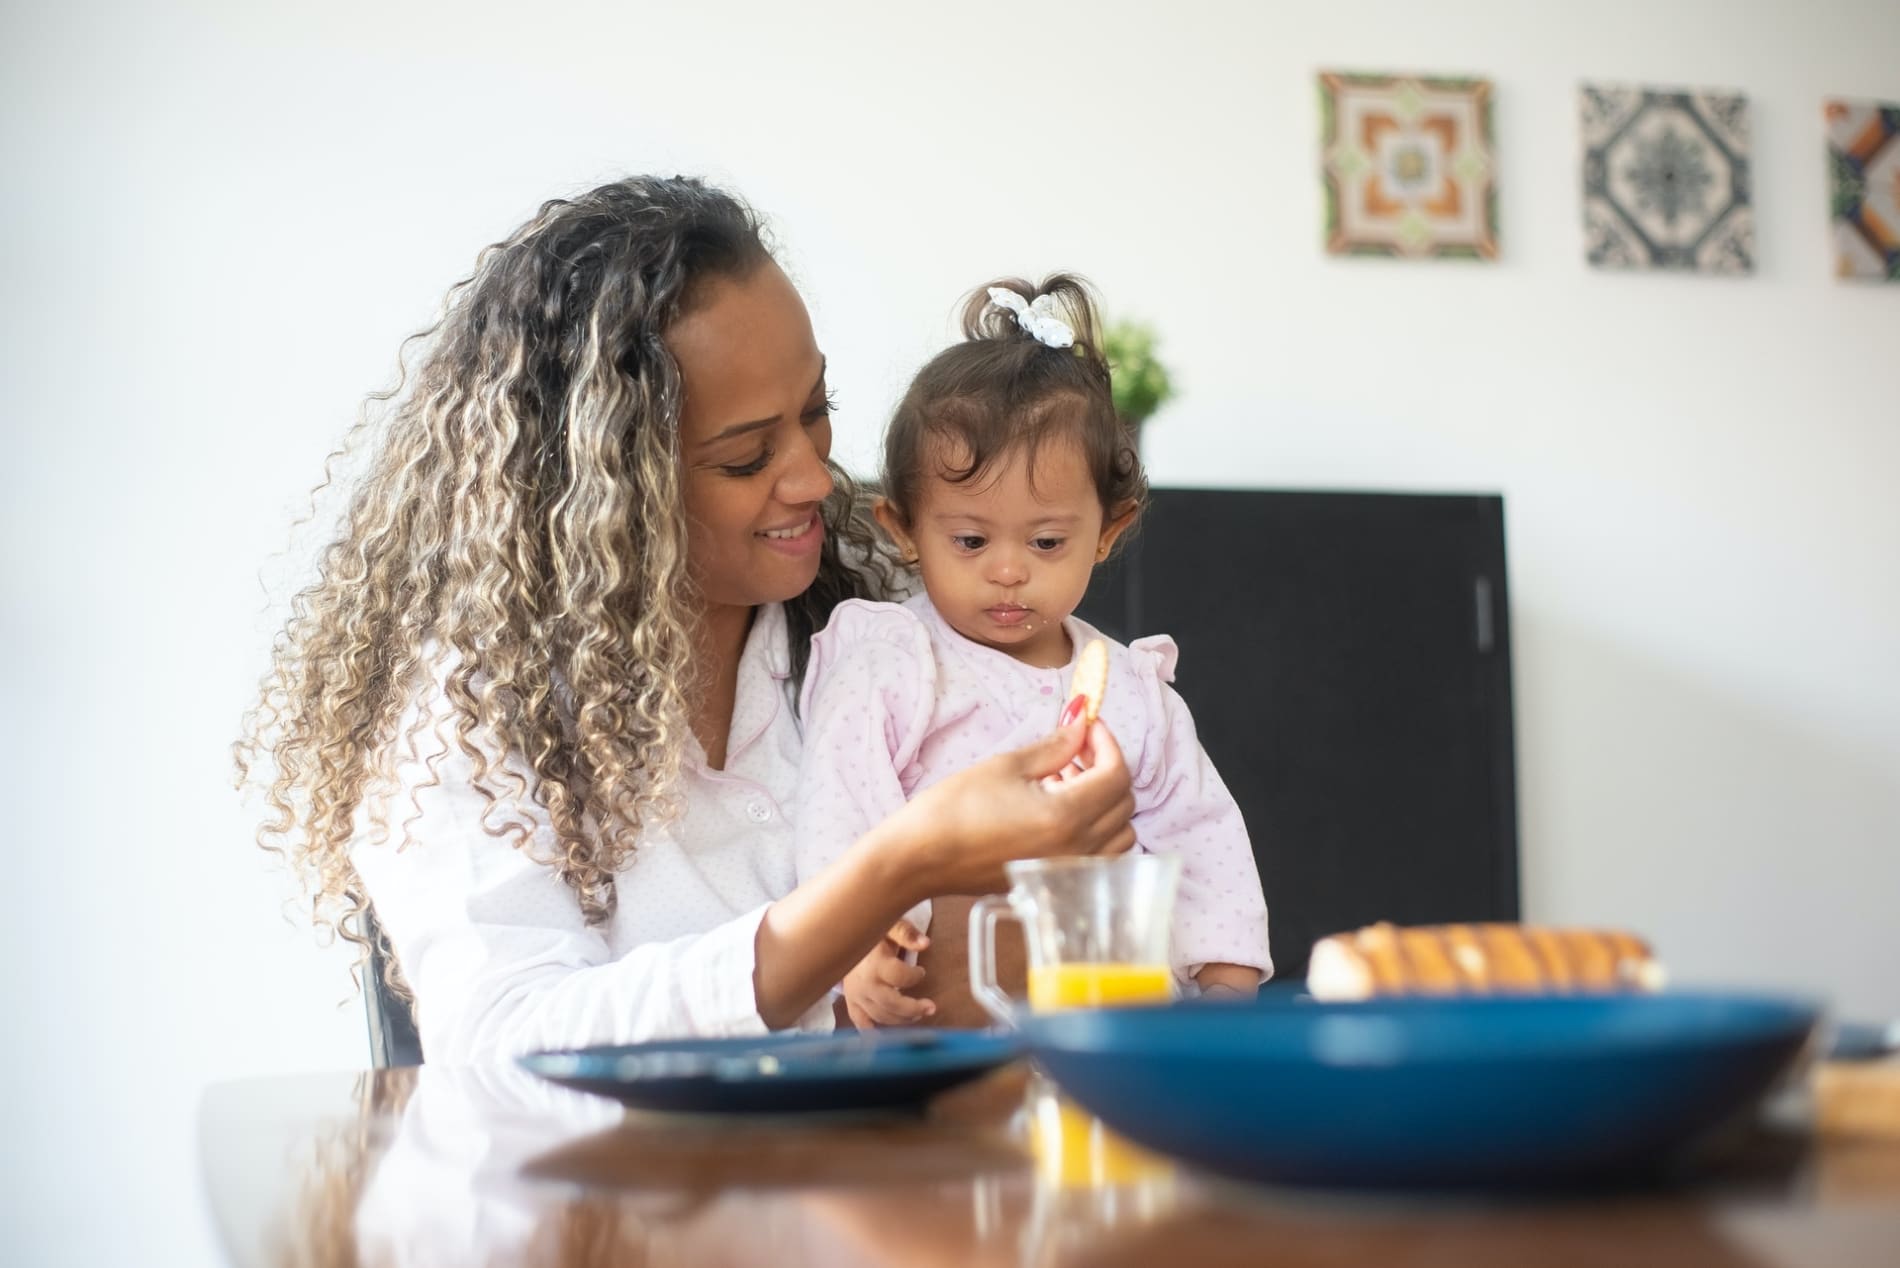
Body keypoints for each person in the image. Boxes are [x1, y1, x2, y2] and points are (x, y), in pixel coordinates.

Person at [236, 178, 1136, 1063]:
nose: (817, 480)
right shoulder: (470, 716)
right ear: (606, 489)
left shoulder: (881, 637)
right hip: (618, 1208)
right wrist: (895, 870)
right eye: (746, 457)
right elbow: (501, 1039)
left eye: (815, 413)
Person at [793, 276, 1272, 1029]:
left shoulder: (1132, 687)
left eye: (1047, 541)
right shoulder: (891, 660)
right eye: (971, 540)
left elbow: (1201, 834)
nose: (1009, 570)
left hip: (1115, 1034)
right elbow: (839, 815)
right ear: (904, 527)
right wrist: (857, 951)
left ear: (1109, 530)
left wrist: (1226, 986)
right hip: (943, 1023)